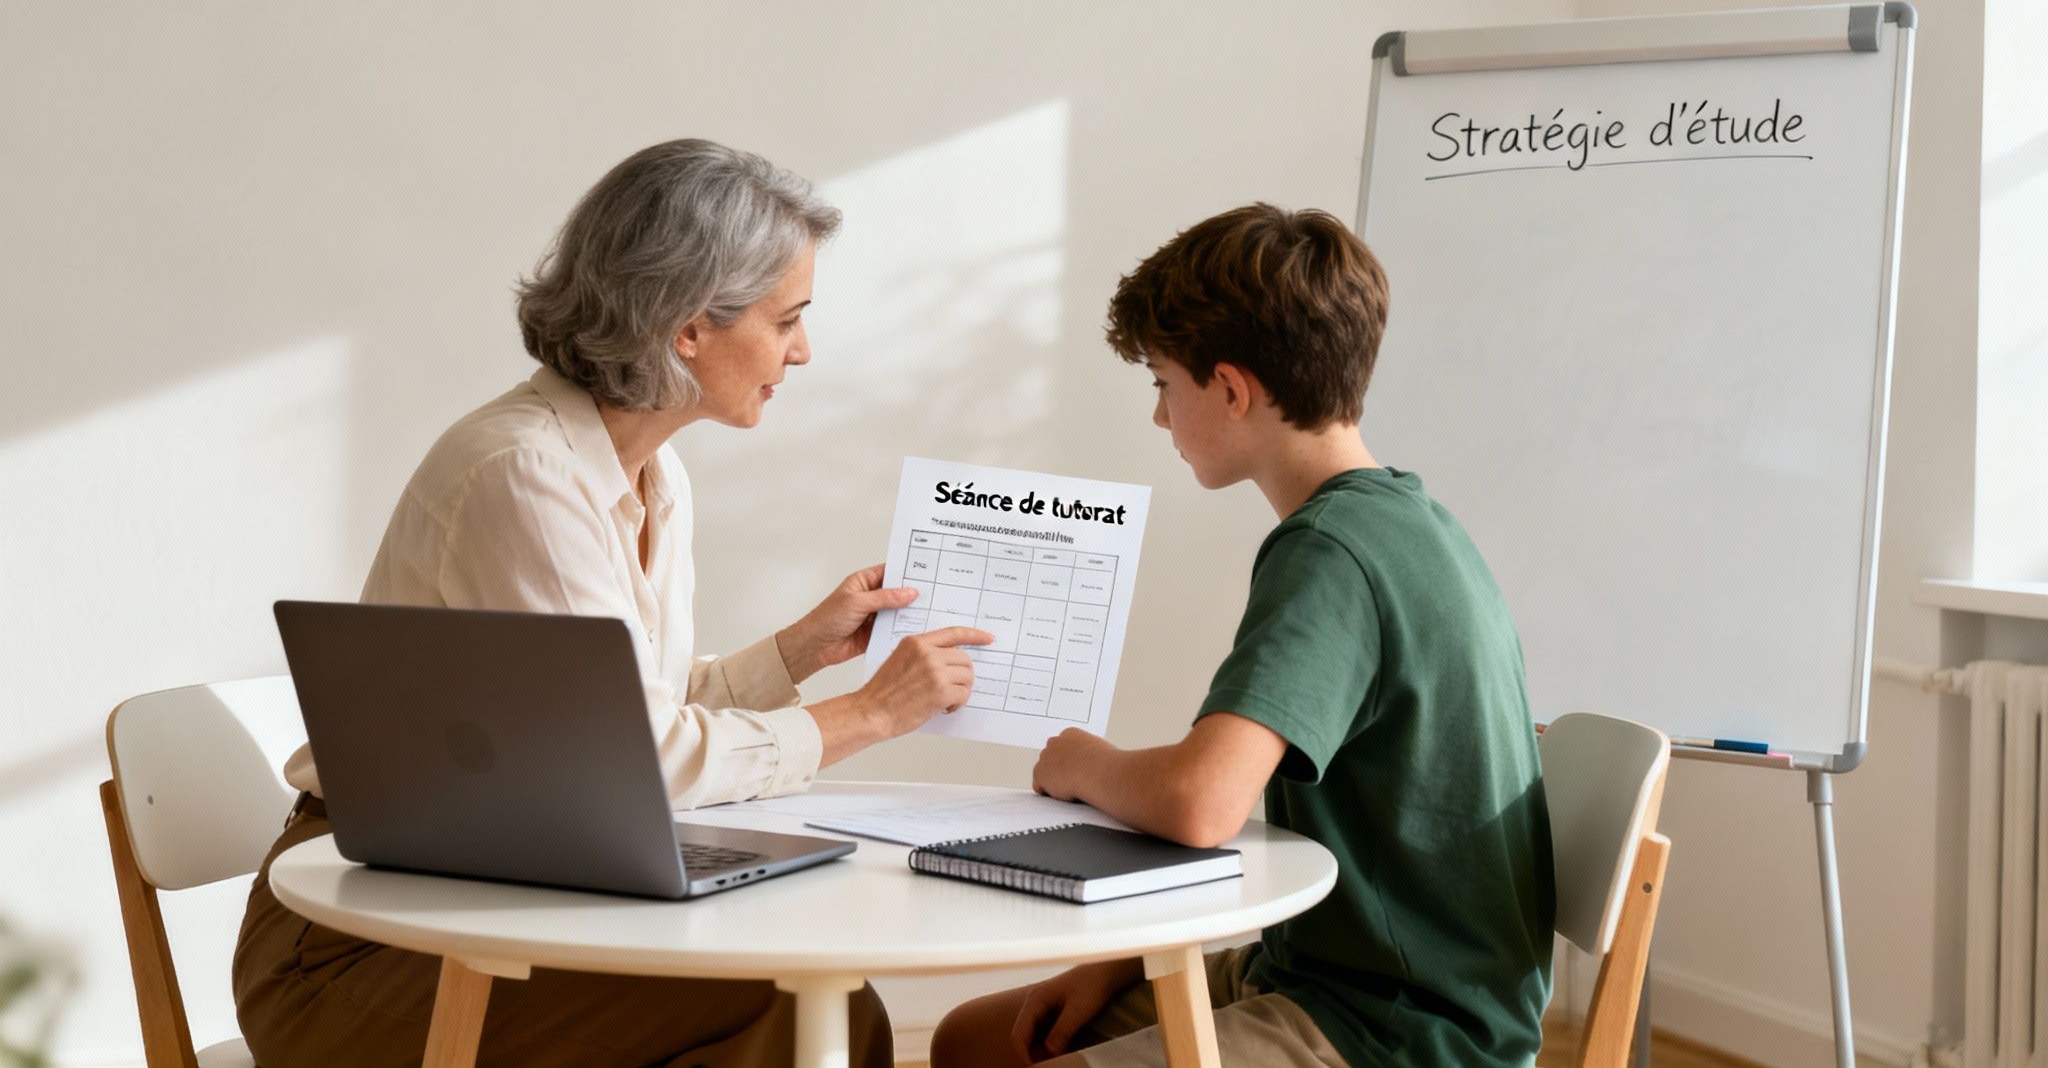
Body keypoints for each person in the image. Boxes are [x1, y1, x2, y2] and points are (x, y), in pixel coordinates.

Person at [233, 139, 993, 1068]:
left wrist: (796, 653)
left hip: (501, 906)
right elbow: (640, 760)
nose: (801, 351)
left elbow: (616, 725)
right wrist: (870, 713)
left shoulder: (649, 473)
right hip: (361, 943)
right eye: (787, 319)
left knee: (811, 1002)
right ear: (688, 327)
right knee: (796, 1013)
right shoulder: (524, 473)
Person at [930, 205, 1554, 1068]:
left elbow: (1203, 802)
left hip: (1401, 1026)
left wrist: (1082, 764)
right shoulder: (1409, 520)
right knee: (973, 1042)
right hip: (1324, 968)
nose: (1159, 417)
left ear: (1230, 389)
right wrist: (1119, 961)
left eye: (1162, 383)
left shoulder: (1330, 551)